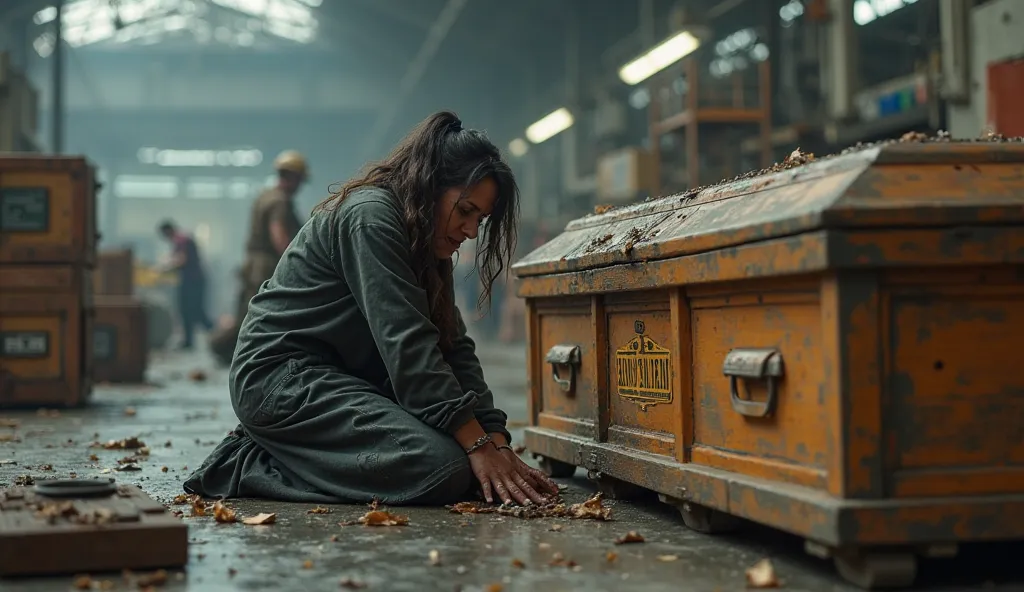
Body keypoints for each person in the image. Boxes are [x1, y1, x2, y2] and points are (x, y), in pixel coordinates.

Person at [184, 111, 559, 506]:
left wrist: (496, 442)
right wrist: (476, 446)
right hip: (280, 379)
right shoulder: (371, 218)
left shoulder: (428, 240)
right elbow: (409, 350)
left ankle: (301, 448)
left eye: (479, 220)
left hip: (343, 378)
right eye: (465, 211)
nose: (470, 230)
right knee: (445, 467)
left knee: (466, 458)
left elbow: (454, 347)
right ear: (430, 186)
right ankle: (248, 461)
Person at [208, 150, 307, 365]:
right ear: (293, 177)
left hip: (253, 264)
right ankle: (222, 346)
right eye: (299, 180)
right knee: (260, 314)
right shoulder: (280, 201)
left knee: (249, 312)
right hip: (266, 265)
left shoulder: (265, 195)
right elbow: (278, 233)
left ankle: (227, 348)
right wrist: (294, 260)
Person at [157, 220, 215, 350]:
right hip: (190, 281)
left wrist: (165, 267)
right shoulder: (181, 239)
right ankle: (189, 342)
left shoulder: (181, 240)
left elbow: (181, 260)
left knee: (196, 312)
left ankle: (219, 336)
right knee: (187, 312)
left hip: (193, 281)